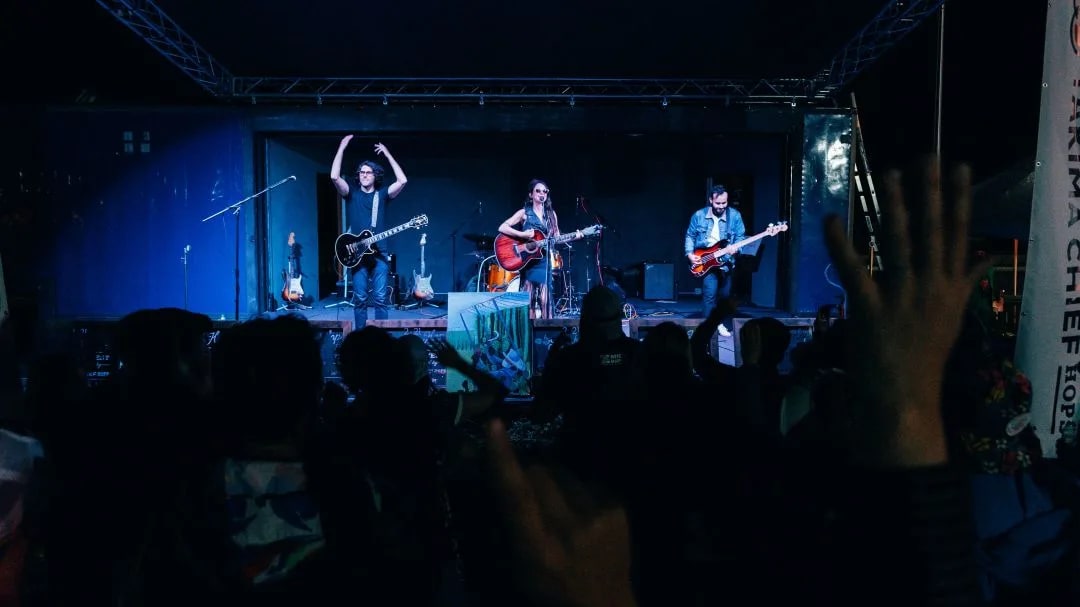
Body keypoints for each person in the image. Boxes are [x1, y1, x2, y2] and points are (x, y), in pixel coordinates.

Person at [330, 135, 408, 325]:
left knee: (381, 299)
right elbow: (334, 177)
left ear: (375, 176)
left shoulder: (381, 195)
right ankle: (360, 337)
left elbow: (402, 180)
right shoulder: (351, 194)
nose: (364, 175)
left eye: (368, 172)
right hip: (357, 255)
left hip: (379, 254)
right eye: (362, 172)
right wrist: (341, 147)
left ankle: (381, 337)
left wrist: (388, 155)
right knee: (360, 300)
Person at [498, 179, 584, 319]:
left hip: (544, 261)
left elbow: (557, 237)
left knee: (545, 300)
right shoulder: (524, 213)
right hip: (527, 261)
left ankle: (548, 330)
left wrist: (575, 236)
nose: (541, 193)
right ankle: (530, 330)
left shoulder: (551, 215)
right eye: (538, 191)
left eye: (545, 191)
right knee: (530, 300)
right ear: (531, 194)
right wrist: (522, 234)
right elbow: (502, 227)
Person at [684, 185, 746, 335]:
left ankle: (718, 322)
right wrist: (690, 254)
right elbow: (690, 236)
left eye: (724, 203)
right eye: (718, 203)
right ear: (711, 200)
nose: (721, 206)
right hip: (707, 260)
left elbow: (740, 237)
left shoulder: (735, 216)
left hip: (726, 261)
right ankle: (707, 329)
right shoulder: (699, 215)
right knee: (709, 295)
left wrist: (736, 248)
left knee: (724, 296)